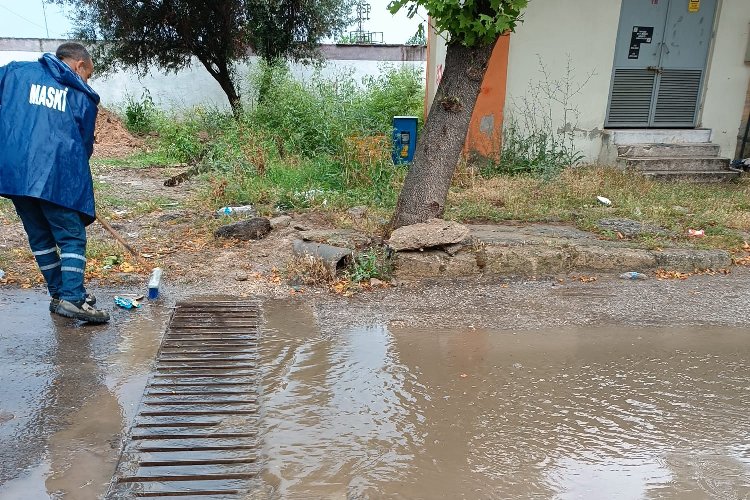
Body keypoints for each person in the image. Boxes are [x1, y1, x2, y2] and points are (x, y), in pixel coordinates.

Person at [0, 42, 109, 323]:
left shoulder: (15, 72)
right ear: (79, 65)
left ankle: (59, 294)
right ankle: (72, 299)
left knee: (40, 236)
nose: (86, 80)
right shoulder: (81, 95)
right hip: (54, 174)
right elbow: (83, 148)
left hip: (15, 173)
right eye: (88, 74)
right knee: (71, 235)